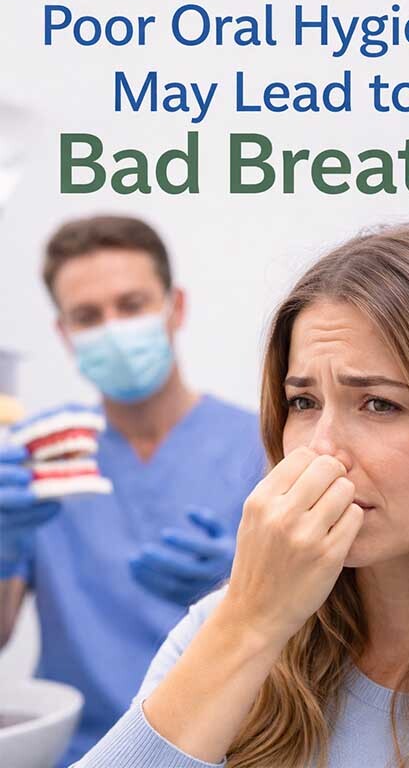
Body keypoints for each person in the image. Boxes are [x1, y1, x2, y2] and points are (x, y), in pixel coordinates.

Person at [71, 222, 409, 768]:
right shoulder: (222, 628)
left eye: (379, 404)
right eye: (303, 403)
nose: (321, 450)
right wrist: (250, 622)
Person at [0, 215, 266, 767]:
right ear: (64, 334)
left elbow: (338, 640)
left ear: (176, 307)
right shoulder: (40, 458)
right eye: (87, 316)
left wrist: (243, 588)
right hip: (80, 752)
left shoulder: (264, 447)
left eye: (132, 304)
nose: (113, 329)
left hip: (232, 747)